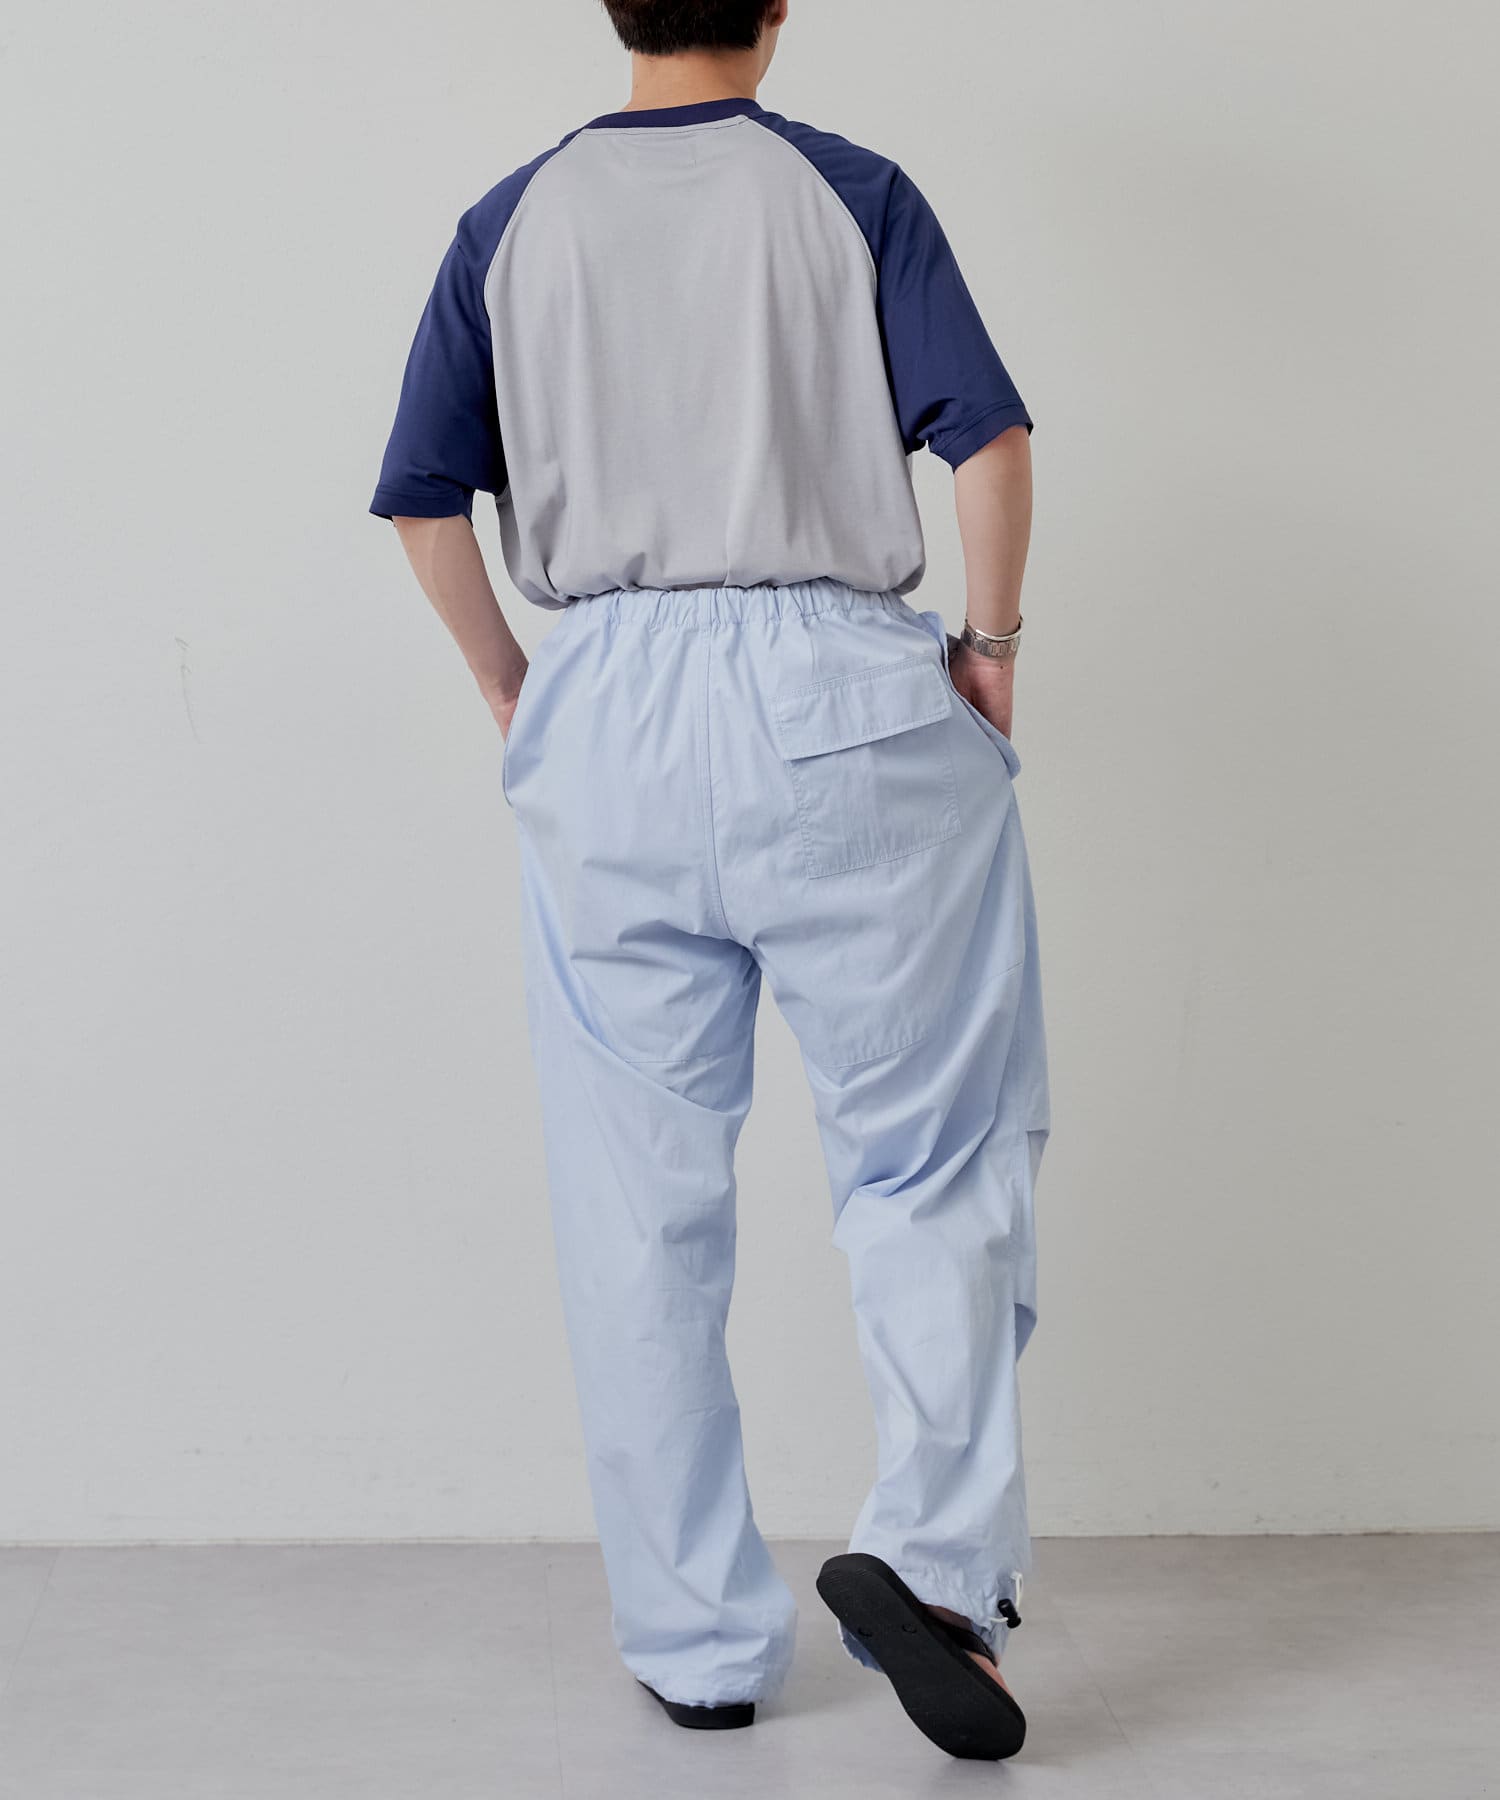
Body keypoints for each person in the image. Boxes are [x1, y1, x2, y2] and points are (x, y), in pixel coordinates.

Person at [370, 0, 1050, 1764]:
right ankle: (937, 1577)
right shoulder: (848, 191)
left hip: (606, 702)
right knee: (931, 1154)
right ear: (776, 5)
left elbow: (425, 505)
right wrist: (986, 650)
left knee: (637, 1199)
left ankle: (697, 1643)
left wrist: (516, 690)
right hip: (841, 694)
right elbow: (987, 443)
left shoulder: (509, 220)